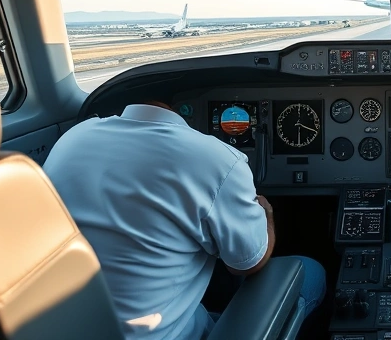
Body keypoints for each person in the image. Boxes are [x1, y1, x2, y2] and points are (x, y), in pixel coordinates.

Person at [44, 100, 326, 339]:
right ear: (184, 116)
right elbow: (248, 263)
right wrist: (267, 214)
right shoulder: (217, 159)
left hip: (63, 326)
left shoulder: (73, 137)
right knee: (310, 272)